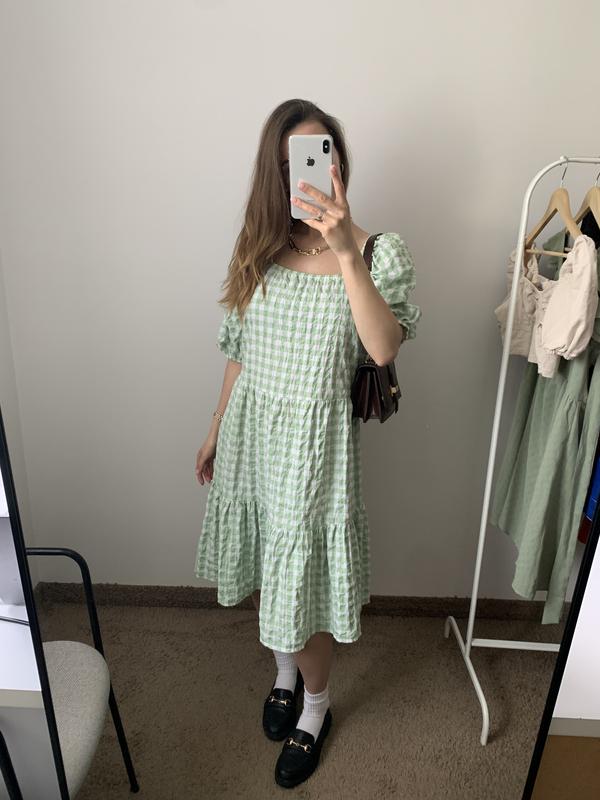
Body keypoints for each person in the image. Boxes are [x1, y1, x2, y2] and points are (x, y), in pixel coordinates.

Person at [194, 98, 421, 788]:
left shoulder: (379, 251)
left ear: (339, 164)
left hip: (313, 453)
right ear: (279, 171)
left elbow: (383, 348)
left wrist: (347, 250)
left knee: (307, 587)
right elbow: (239, 349)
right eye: (298, 159)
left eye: (326, 153)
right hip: (251, 438)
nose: (317, 169)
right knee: (269, 566)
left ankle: (315, 707)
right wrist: (214, 426)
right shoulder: (260, 245)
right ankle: (285, 675)